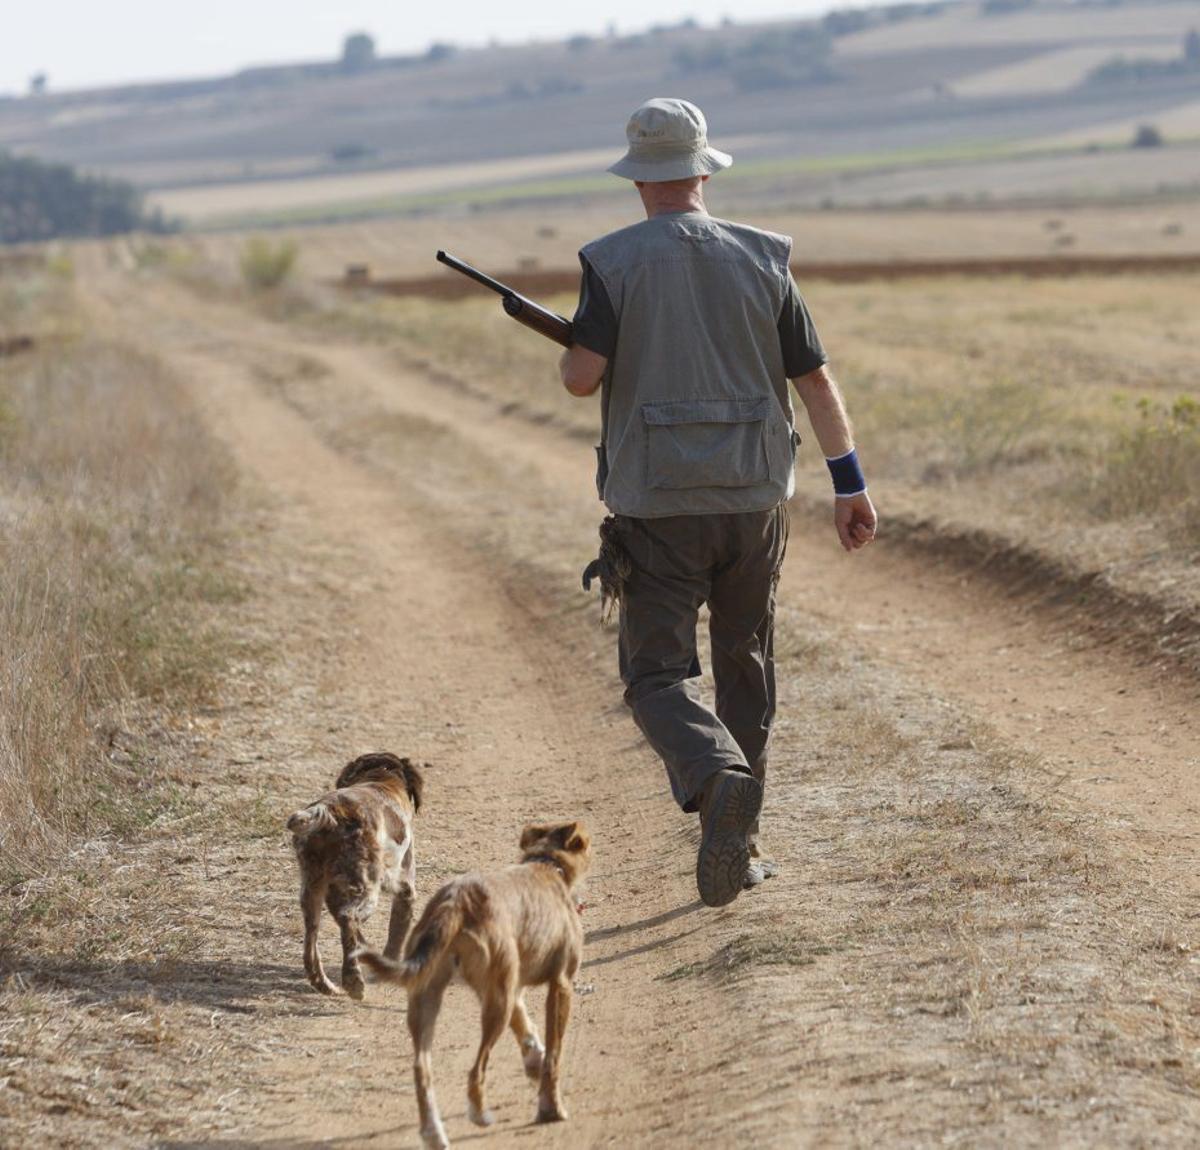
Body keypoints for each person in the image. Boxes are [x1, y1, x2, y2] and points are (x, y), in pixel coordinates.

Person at [560, 98, 876, 907]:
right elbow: (815, 381)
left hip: (657, 506)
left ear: (639, 180)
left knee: (656, 678)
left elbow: (580, 378)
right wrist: (851, 484)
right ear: (703, 171)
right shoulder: (765, 258)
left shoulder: (611, 261)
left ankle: (716, 777)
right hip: (754, 497)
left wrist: (584, 335)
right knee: (747, 662)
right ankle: (746, 839)